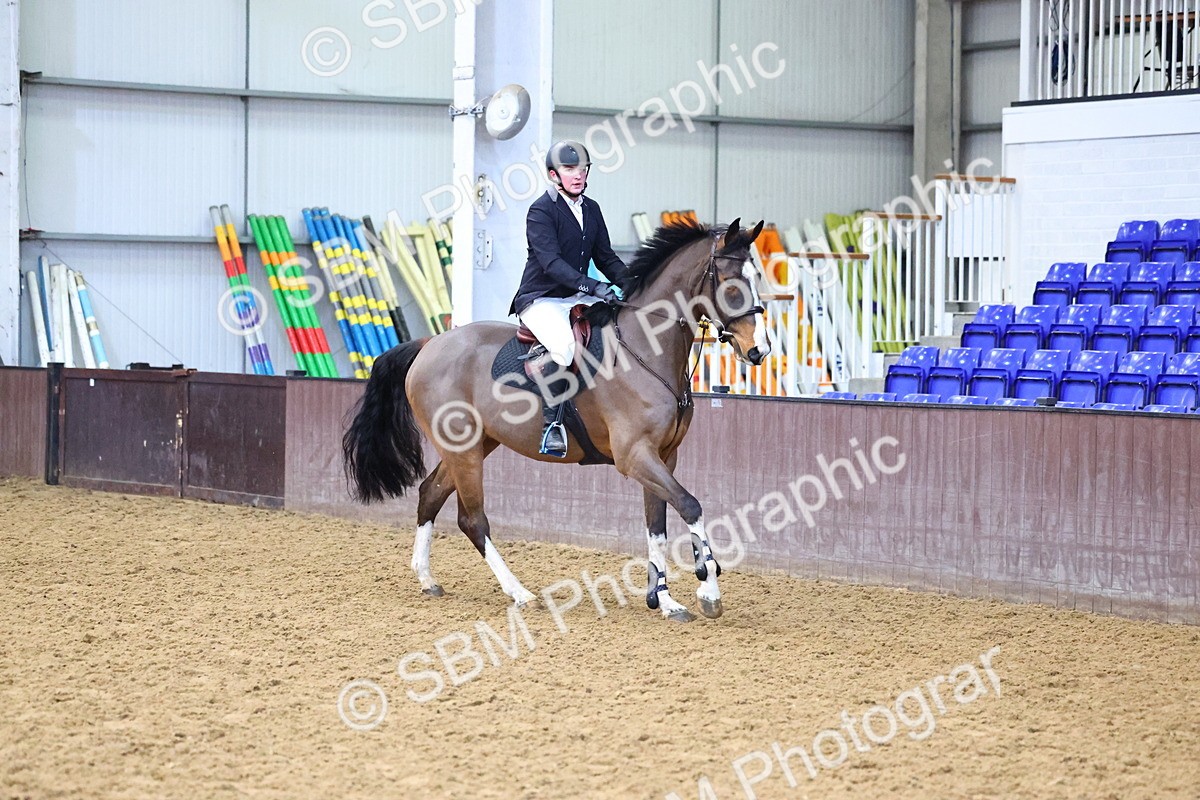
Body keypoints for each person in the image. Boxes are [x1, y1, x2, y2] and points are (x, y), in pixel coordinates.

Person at [508, 140, 628, 458]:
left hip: (576, 296)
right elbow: (552, 264)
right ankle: (553, 426)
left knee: (617, 329)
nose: (577, 175)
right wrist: (594, 287)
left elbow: (606, 257)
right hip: (541, 298)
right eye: (569, 169)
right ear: (553, 174)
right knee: (564, 348)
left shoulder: (592, 209)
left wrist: (632, 283)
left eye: (582, 169)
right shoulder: (541, 210)